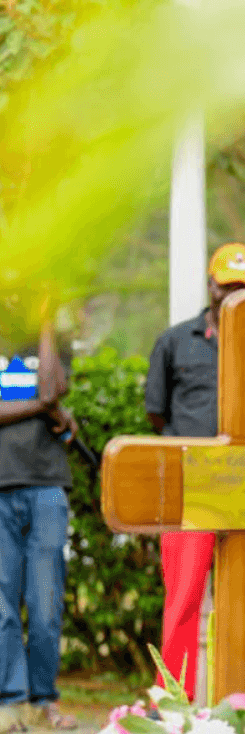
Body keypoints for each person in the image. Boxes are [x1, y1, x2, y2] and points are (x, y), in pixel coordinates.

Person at [144, 243, 245, 702]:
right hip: (190, 483)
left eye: (241, 289)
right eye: (225, 287)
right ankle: (174, 702)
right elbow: (156, 413)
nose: (231, 297)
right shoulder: (174, 341)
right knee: (185, 596)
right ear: (210, 286)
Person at [0, 307, 80, 734]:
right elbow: (47, 403)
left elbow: (54, 391)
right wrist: (44, 411)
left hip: (47, 485)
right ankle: (11, 704)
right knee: (2, 603)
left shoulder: (53, 341)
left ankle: (44, 700)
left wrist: (45, 321)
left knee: (46, 601)